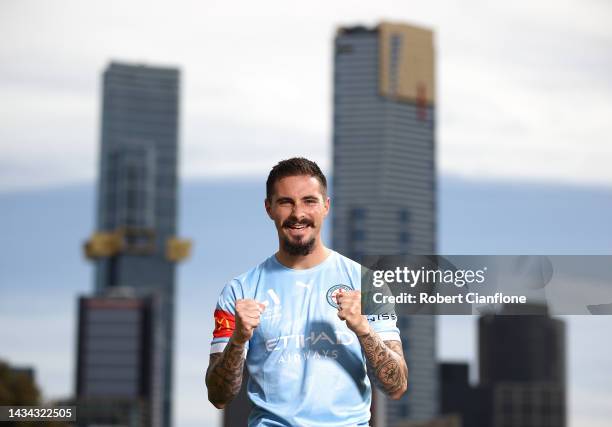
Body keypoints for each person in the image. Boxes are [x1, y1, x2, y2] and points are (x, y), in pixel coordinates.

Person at [205, 157, 408, 426]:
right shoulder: (240, 291)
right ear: (269, 208)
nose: (298, 213)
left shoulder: (367, 283)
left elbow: (396, 386)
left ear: (326, 206)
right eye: (285, 202)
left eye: (309, 201)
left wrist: (362, 328)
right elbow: (218, 396)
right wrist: (239, 338)